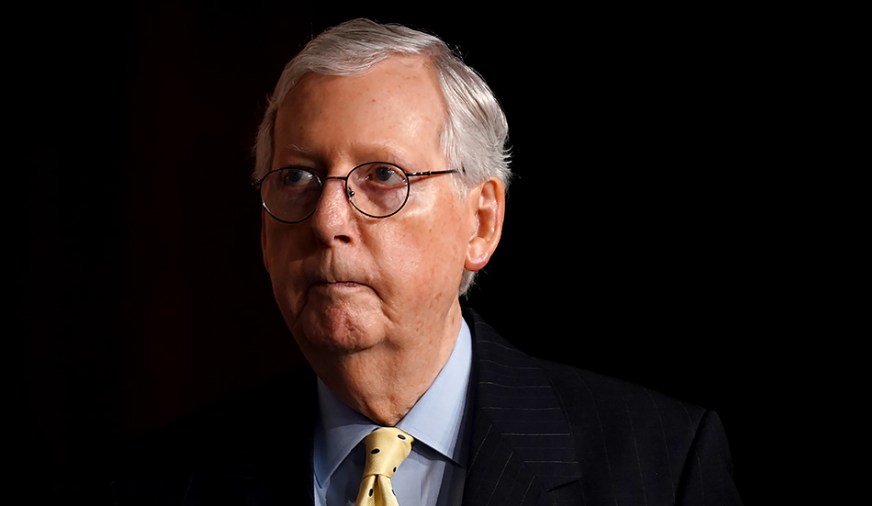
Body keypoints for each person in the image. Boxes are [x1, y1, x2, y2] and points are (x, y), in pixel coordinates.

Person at [109, 17, 743, 505]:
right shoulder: (160, 484)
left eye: (383, 176)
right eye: (298, 177)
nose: (329, 223)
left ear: (481, 222)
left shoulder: (660, 465)